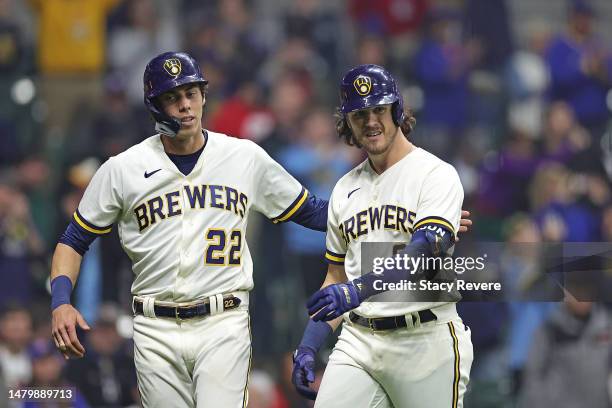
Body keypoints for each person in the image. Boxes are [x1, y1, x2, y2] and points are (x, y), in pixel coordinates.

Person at [49, 51, 329, 407]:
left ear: (203, 96)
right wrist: (60, 302)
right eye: (172, 98)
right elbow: (73, 240)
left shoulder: (244, 157)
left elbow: (310, 211)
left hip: (223, 323)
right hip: (154, 328)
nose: (185, 105)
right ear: (154, 108)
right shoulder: (122, 169)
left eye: (191, 93)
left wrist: (373, 210)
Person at [292, 64, 473, 407]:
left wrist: (357, 289)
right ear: (348, 123)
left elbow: (424, 253)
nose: (371, 121)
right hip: (358, 340)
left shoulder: (435, 174)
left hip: (424, 338)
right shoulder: (345, 189)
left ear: (397, 111)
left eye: (379, 109)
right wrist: (308, 345)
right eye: (360, 114)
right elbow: (336, 278)